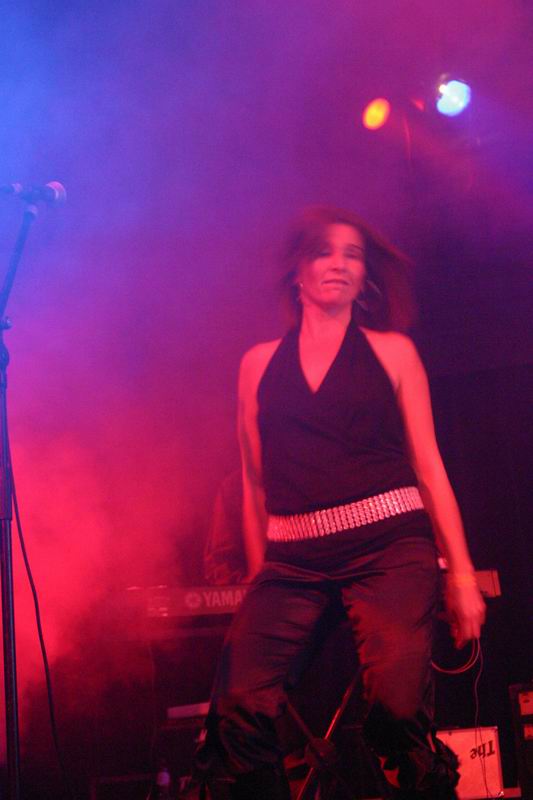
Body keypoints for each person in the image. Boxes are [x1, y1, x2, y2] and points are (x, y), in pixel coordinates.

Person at [195, 206, 486, 799]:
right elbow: (254, 484)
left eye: (352, 255)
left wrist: (460, 576)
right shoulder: (257, 364)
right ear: (297, 272)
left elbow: (429, 466)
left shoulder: (392, 352)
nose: (339, 264)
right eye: (324, 252)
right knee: (238, 708)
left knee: (397, 711)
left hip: (388, 548)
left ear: (365, 277)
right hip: (293, 561)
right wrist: (260, 581)